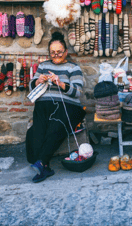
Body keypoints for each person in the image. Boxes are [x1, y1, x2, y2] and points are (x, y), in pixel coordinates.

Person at [26, 31, 85, 183]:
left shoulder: (73, 68)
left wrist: (61, 83)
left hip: (69, 106)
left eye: (59, 52)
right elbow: (31, 86)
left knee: (55, 126)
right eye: (53, 53)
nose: (56, 55)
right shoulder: (43, 66)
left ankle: (41, 162)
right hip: (45, 104)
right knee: (37, 128)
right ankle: (42, 165)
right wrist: (38, 81)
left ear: (66, 52)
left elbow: (78, 92)